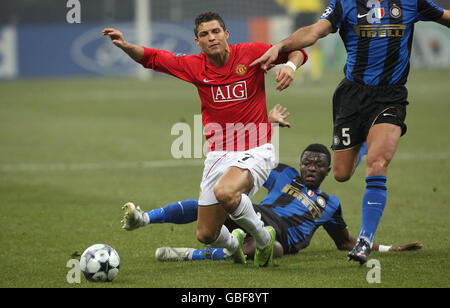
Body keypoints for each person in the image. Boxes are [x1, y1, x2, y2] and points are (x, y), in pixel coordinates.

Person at [250, 0, 449, 264]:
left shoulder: (412, 2)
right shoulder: (345, 4)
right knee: (342, 173)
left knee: (377, 164)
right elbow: (314, 31)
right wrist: (281, 48)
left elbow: (445, 16)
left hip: (390, 97)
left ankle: (364, 240)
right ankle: (370, 139)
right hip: (351, 98)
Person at [103, 11, 308, 267]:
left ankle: (264, 239)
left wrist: (290, 66)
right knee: (206, 234)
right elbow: (153, 58)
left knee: (225, 191)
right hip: (218, 154)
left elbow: (296, 50)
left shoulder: (251, 53)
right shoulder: (195, 66)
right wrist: (125, 46)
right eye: (204, 34)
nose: (211, 37)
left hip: (257, 147)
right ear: (197, 41)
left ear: (226, 34)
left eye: (215, 32)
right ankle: (234, 245)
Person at [120, 143, 422, 262]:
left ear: (328, 171)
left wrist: (388, 247)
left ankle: (193, 255)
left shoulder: (331, 203)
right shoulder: (284, 174)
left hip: (285, 238)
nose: (311, 168)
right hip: (256, 215)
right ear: (301, 165)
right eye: (307, 163)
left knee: (266, 248)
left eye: (318, 165)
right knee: (209, 203)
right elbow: (250, 162)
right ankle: (147, 218)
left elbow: (345, 243)